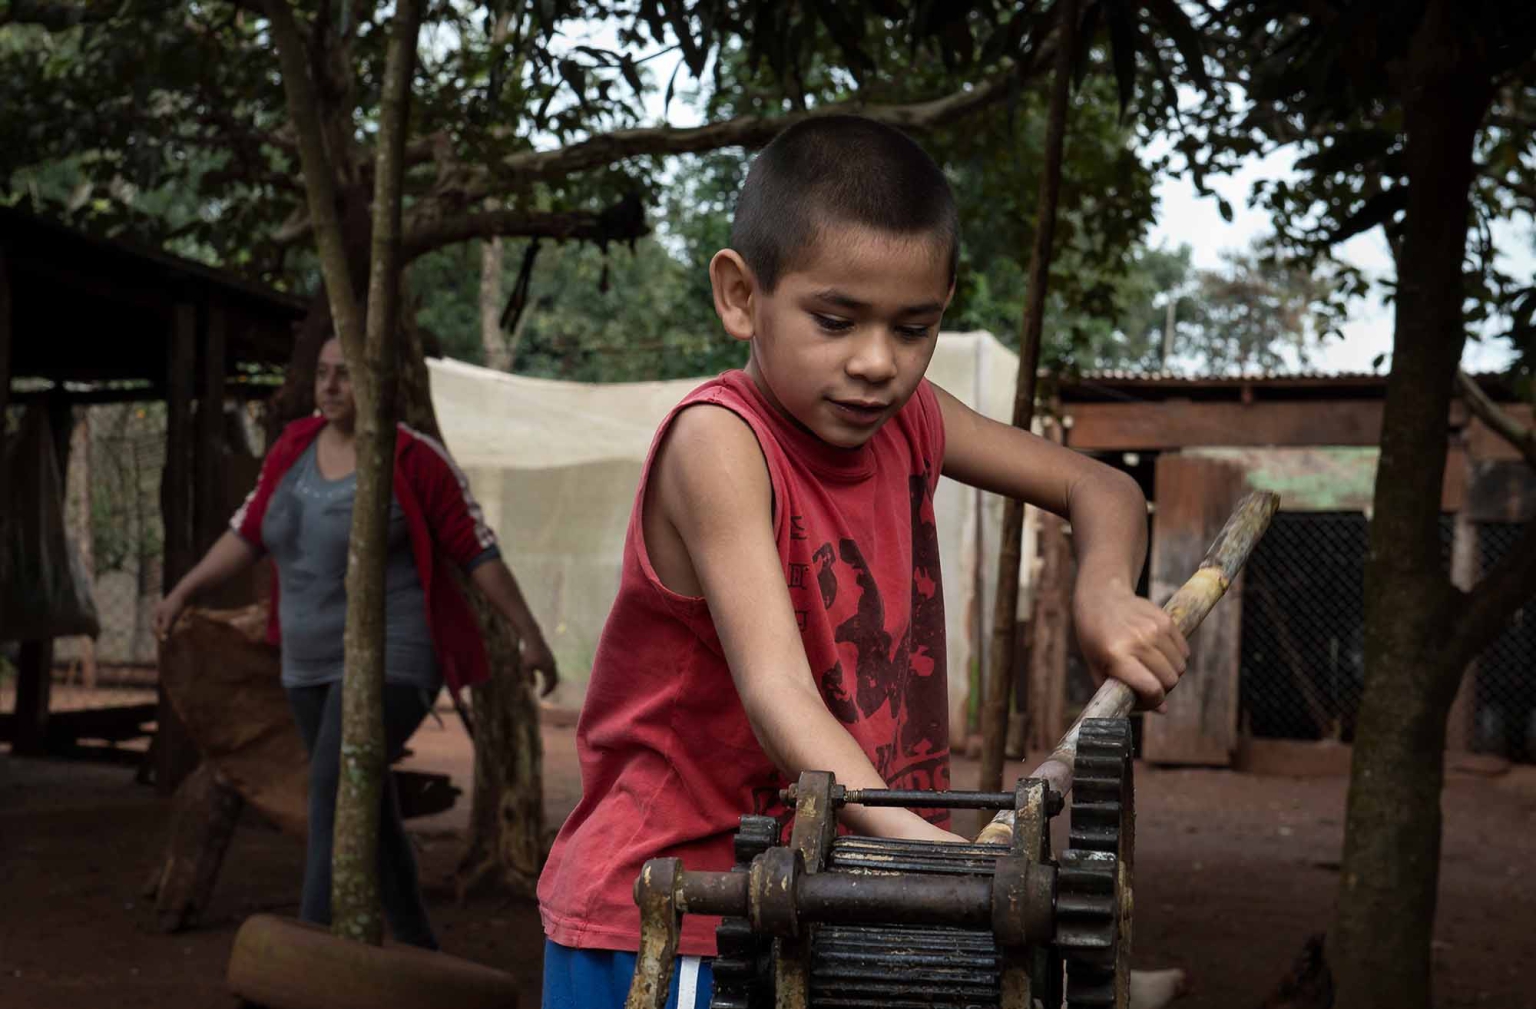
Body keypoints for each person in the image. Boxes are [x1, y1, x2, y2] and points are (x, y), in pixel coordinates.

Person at [536, 116, 1189, 1007]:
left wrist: (1105, 591)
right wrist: (940, 859)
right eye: (835, 320)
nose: (878, 362)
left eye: (914, 327)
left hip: (834, 897)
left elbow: (1100, 487)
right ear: (741, 295)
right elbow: (780, 695)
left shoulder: (913, 420)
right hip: (679, 916)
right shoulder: (719, 443)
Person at [153, 336, 557, 950]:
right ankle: (419, 946)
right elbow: (248, 530)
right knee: (364, 799)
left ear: (378, 381)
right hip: (305, 663)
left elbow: (477, 551)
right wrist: (185, 590)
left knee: (334, 784)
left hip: (394, 659)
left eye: (345, 374)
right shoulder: (293, 447)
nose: (330, 385)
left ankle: (311, 947)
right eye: (323, 373)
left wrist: (531, 636)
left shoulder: (413, 457)